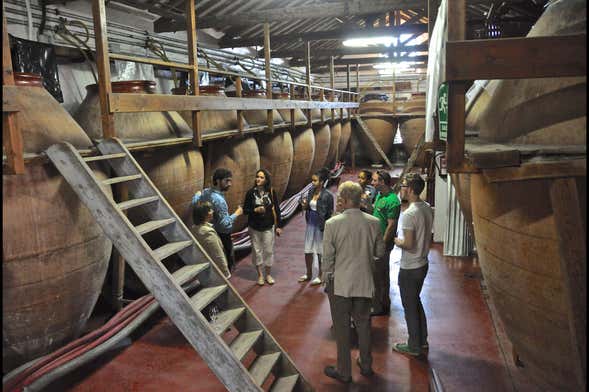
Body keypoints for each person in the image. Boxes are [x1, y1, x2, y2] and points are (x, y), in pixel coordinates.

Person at [322, 181, 385, 383]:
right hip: (364, 282)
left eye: (340, 197)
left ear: (346, 200)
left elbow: (328, 258)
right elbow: (380, 252)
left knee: (342, 329)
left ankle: (344, 371)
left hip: (340, 284)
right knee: (364, 325)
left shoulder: (332, 223)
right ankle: (366, 365)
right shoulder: (373, 222)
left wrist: (326, 279)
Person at [392, 173, 434, 357]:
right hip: (423, 263)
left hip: (410, 267)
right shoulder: (426, 208)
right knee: (416, 302)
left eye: (403, 186)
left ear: (409, 189)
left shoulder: (409, 213)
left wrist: (396, 240)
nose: (402, 189)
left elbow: (408, 244)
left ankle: (413, 346)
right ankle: (422, 340)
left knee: (409, 307)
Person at [192, 168, 243, 271]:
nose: (230, 184)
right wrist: (237, 213)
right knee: (225, 259)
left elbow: (194, 203)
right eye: (227, 181)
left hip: (209, 229)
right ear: (218, 181)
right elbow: (224, 224)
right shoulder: (219, 200)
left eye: (230, 181)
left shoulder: (206, 192)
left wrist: (197, 194)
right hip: (222, 234)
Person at [243, 169, 282, 286]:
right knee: (256, 251)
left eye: (261, 177)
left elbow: (277, 209)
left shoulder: (271, 191)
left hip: (268, 225)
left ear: (266, 180)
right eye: (257, 177)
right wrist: (255, 210)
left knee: (269, 250)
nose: (258, 179)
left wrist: (278, 226)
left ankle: (268, 274)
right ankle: (260, 275)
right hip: (254, 226)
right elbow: (245, 210)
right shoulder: (250, 193)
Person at [370, 170, 401, 316]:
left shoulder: (393, 201)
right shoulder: (379, 195)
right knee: (376, 274)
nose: (372, 182)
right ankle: (380, 302)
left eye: (375, 180)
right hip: (375, 241)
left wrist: (382, 244)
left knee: (380, 275)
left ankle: (380, 306)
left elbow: (391, 225)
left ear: (382, 182)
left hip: (382, 244)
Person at [299, 167, 334, 285]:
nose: (312, 183)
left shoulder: (328, 195)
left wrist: (327, 228)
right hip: (310, 223)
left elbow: (330, 213)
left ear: (322, 182)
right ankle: (308, 273)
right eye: (312, 180)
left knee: (320, 251)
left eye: (315, 181)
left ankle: (320, 275)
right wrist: (304, 205)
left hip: (320, 225)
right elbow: (308, 207)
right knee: (307, 250)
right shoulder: (310, 192)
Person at [190, 202, 231, 278]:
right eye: (210, 210)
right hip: (216, 268)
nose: (212, 211)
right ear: (206, 214)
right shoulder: (208, 232)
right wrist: (226, 273)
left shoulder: (194, 228)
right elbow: (218, 254)